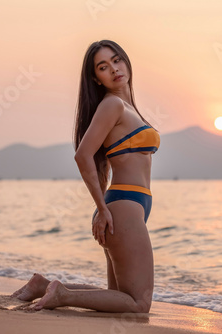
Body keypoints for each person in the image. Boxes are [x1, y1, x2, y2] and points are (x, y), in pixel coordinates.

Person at [10, 40, 160, 313]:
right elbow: (83, 155)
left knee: (119, 296)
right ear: (96, 77)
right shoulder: (112, 105)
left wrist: (104, 208)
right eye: (104, 67)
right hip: (122, 206)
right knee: (139, 304)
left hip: (130, 206)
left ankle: (43, 287)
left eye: (117, 60)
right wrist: (102, 209)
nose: (114, 69)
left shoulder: (127, 107)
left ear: (126, 60)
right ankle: (61, 296)